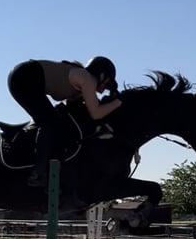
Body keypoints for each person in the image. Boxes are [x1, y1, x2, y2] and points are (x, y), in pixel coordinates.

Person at [7, 56, 123, 188]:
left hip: (24, 75)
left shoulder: (83, 81)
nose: (104, 90)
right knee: (49, 122)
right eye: (107, 84)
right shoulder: (87, 79)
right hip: (25, 77)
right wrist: (118, 102)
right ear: (101, 75)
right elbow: (96, 113)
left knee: (54, 120)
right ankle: (38, 173)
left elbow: (80, 109)